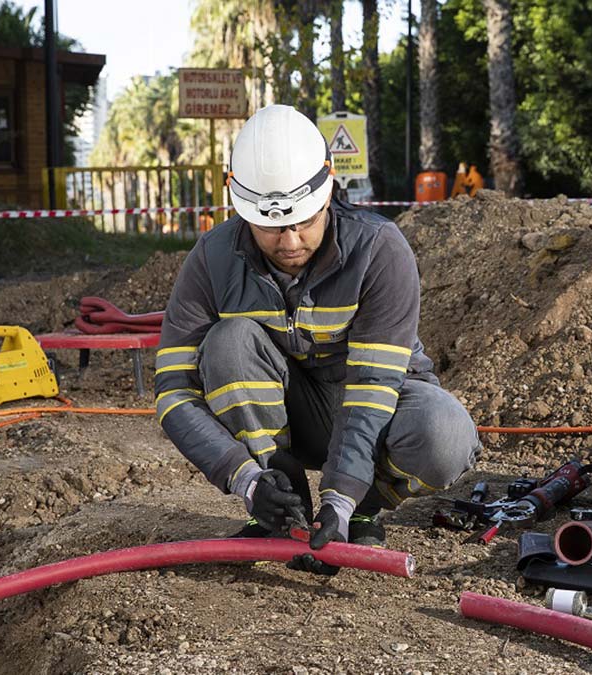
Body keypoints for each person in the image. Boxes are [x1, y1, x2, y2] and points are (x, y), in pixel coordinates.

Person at [154, 104, 480, 571]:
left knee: (446, 435)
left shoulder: (378, 250)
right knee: (229, 342)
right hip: (289, 420)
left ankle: (364, 504)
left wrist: (343, 499)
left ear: (328, 193)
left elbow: (371, 388)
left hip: (375, 409)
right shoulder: (212, 258)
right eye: (270, 227)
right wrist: (247, 479)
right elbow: (174, 393)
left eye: (304, 221)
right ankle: (281, 505)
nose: (289, 242)